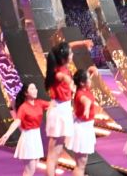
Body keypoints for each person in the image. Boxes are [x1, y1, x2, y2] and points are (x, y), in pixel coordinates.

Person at [43, 40, 91, 176]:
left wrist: (83, 43)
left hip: (63, 110)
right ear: (64, 57)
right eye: (70, 54)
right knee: (53, 153)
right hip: (59, 111)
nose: (72, 54)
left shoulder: (62, 67)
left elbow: (69, 45)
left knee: (57, 151)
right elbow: (61, 77)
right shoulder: (58, 72)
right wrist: (68, 81)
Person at [0, 81, 51, 176]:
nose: (35, 90)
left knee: (33, 168)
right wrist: (7, 134)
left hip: (37, 138)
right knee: (29, 171)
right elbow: (17, 121)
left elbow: (54, 104)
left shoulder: (39, 103)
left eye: (35, 88)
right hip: (28, 139)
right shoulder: (23, 107)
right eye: (32, 89)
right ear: (26, 93)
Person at [69, 69, 96, 176]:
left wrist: (90, 71)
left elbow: (86, 79)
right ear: (82, 83)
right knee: (80, 164)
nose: (90, 80)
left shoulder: (84, 89)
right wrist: (87, 107)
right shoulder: (80, 94)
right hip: (82, 129)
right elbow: (86, 101)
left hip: (85, 127)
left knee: (81, 163)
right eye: (88, 79)